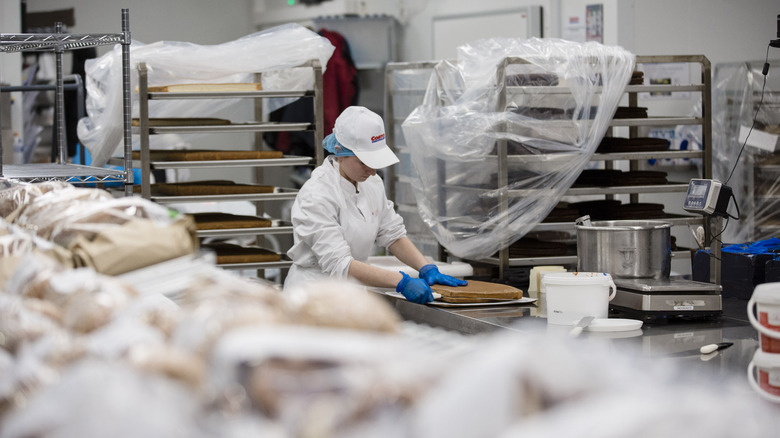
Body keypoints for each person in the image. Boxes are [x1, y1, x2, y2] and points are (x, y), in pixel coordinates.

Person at [284, 106, 467, 303]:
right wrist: (402, 282)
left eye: (375, 162)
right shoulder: (317, 195)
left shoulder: (371, 182)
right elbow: (340, 264)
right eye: (364, 162)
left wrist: (425, 267)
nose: (372, 171)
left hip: (351, 294)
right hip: (312, 296)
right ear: (341, 152)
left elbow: (391, 233)